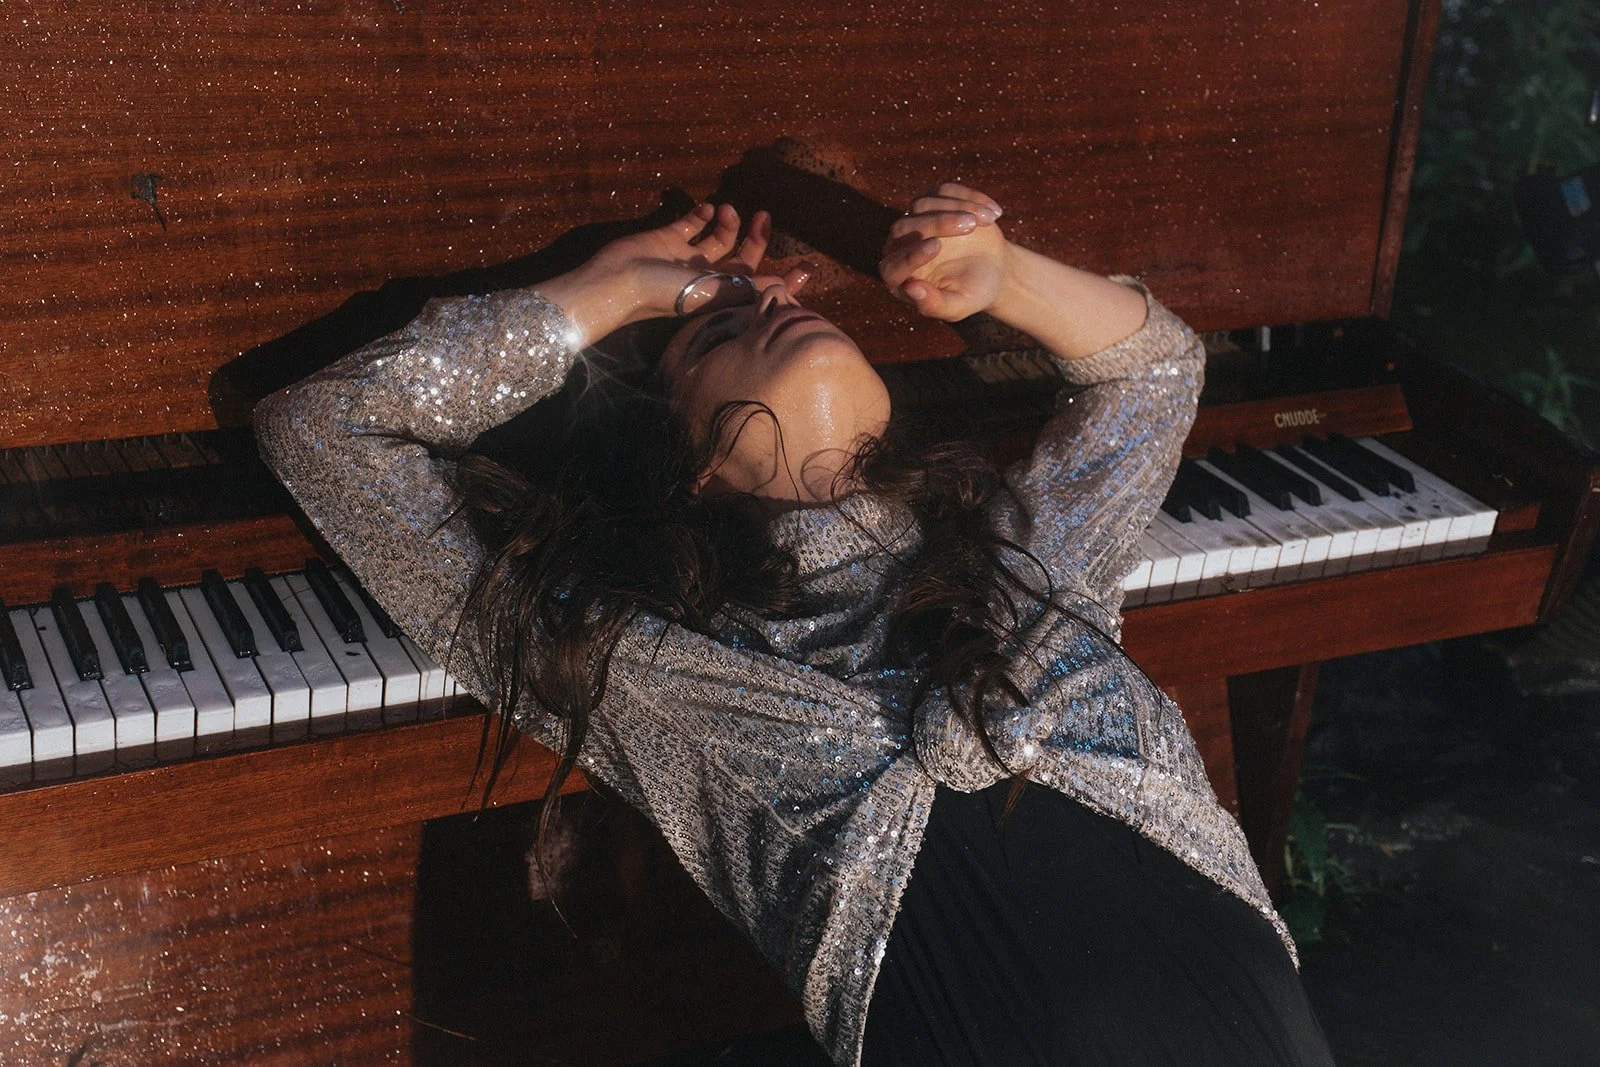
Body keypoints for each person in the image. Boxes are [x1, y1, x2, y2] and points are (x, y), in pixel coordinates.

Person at [255, 183, 1335, 1066]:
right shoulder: (648, 667)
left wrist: (1004, 277)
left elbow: (1155, 370)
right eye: (719, 326)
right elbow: (319, 431)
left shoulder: (1024, 552)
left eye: (772, 301)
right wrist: (615, 288)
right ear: (687, 461)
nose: (773, 298)